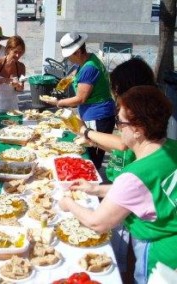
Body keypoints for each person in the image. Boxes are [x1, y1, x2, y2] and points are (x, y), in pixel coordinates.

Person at [59, 85, 177, 284]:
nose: (118, 128)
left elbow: (98, 222)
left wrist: (68, 203)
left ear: (138, 130)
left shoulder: (134, 175)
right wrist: (96, 188)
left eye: (120, 123)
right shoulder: (171, 149)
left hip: (160, 258)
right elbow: (148, 193)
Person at [74, 58, 157, 275]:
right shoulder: (138, 111)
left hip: (132, 191)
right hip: (124, 185)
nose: (115, 95)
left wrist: (86, 132)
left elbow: (122, 144)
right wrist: (92, 141)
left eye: (116, 90)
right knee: (129, 246)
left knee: (130, 246)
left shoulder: (140, 115)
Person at [44, 32, 116, 169]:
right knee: (90, 152)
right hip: (97, 114)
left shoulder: (89, 68)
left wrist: (58, 103)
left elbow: (80, 98)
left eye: (69, 56)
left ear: (77, 52)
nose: (68, 60)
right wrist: (61, 86)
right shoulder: (88, 60)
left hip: (98, 116)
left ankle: (92, 186)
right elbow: (73, 76)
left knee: (91, 158)